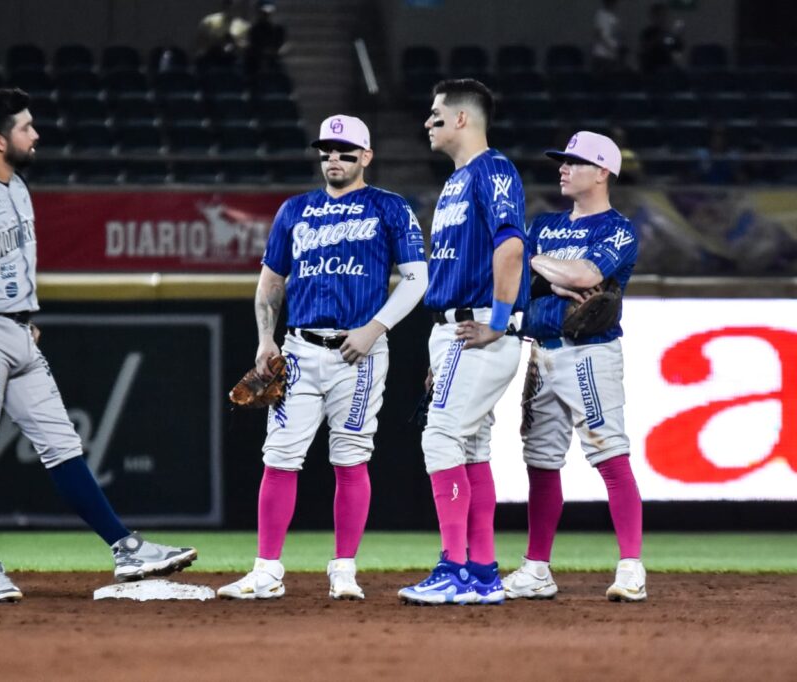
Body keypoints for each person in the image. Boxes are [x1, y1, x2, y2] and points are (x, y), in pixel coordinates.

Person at [0, 88, 197, 603]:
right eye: (25, 127)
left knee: (62, 444)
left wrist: (18, 316)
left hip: (16, 332)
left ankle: (125, 547)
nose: (35, 134)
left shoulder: (17, 186)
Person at [217, 114, 428, 601]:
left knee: (351, 459)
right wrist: (265, 339)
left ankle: (344, 569)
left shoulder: (390, 207)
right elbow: (271, 281)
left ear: (366, 157)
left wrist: (375, 329)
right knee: (280, 458)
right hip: (300, 349)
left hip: (361, 354)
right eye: (327, 150)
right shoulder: (295, 209)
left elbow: (417, 279)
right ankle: (267, 570)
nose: (334, 158)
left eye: (346, 151)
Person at [397, 79, 529, 606]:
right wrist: (441, 348)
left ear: (461, 120)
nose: (428, 122)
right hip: (453, 331)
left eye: (436, 114)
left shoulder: (492, 170)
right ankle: (482, 572)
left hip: (476, 328)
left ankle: (453, 568)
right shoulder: (456, 182)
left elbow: (512, 245)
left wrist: (499, 319)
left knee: (440, 438)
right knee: (471, 447)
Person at [501, 130, 646, 602]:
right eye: (562, 160)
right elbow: (512, 271)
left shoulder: (617, 229)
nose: (562, 168)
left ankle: (630, 567)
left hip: (589, 353)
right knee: (540, 462)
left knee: (609, 454)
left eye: (574, 161)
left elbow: (586, 276)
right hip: (541, 350)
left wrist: (544, 268)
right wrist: (553, 275)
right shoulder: (543, 224)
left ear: (603, 171)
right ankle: (536, 569)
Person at [195, 0, 251, 69]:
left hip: (234, 63)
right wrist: (216, 42)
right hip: (212, 61)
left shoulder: (244, 26)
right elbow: (200, 42)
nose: (230, 7)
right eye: (228, 3)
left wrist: (235, 43)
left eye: (232, 4)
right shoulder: (209, 21)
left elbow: (246, 47)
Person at [639, 2, 685, 74]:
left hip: (667, 66)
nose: (663, 18)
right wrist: (659, 38)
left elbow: (678, 48)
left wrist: (677, 38)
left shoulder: (668, 33)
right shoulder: (647, 33)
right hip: (652, 67)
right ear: (654, 17)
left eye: (664, 15)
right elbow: (645, 49)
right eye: (660, 15)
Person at [245, 1, 288, 74]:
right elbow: (253, 45)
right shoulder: (255, 30)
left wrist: (279, 50)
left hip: (273, 61)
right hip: (256, 63)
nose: (267, 16)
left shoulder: (278, 29)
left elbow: (282, 45)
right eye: (264, 13)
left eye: (268, 14)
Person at [592, 0, 626, 72]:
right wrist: (610, 49)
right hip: (602, 55)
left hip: (613, 56)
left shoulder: (614, 17)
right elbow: (598, 35)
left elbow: (616, 34)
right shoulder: (600, 15)